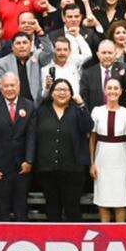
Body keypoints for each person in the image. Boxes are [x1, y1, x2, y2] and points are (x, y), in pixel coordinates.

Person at [33, 79, 92, 222]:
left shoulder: (77, 110)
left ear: (71, 93)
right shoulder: (42, 111)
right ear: (52, 93)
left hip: (73, 169)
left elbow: (88, 127)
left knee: (72, 208)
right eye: (58, 89)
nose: (62, 93)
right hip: (47, 169)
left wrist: (82, 105)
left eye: (66, 90)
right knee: (52, 208)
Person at [0, 72, 37, 222]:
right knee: (2, 209)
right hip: (0, 167)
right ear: (0, 87)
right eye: (6, 86)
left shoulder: (29, 106)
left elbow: (31, 136)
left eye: (12, 85)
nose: (9, 89)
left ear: (18, 86)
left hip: (22, 167)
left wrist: (29, 160)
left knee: (21, 209)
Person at [90, 79, 126, 223]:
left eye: (116, 88)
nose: (112, 91)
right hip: (102, 158)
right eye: (109, 88)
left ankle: (120, 231)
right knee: (102, 197)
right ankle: (105, 230)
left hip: (120, 159)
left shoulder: (125, 112)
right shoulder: (97, 111)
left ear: (120, 91)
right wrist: (92, 163)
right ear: (105, 91)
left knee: (120, 197)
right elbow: (92, 138)